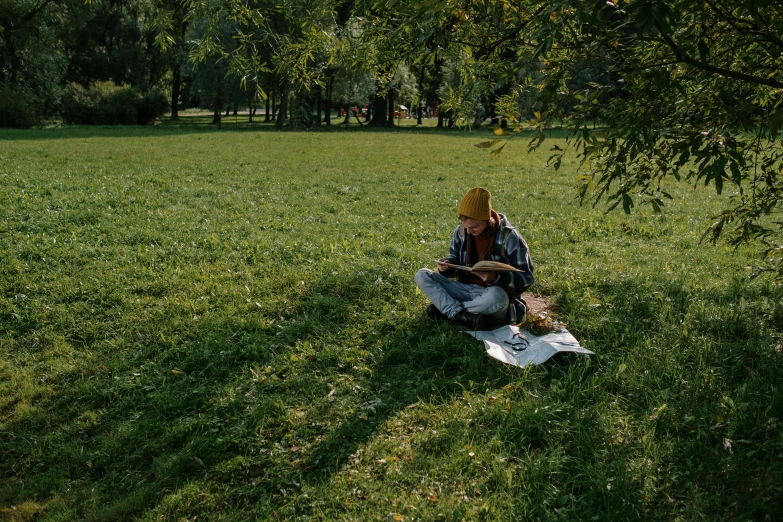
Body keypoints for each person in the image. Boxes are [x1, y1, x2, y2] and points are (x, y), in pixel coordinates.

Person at [414, 187, 534, 330]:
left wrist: (494, 278)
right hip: (464, 289)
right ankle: (461, 315)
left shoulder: (510, 237)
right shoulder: (461, 231)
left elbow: (526, 279)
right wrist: (448, 265)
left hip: (492, 294)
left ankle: (447, 311)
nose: (469, 231)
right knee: (422, 275)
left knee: (497, 297)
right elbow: (456, 260)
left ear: (487, 219)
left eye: (474, 227)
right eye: (466, 227)